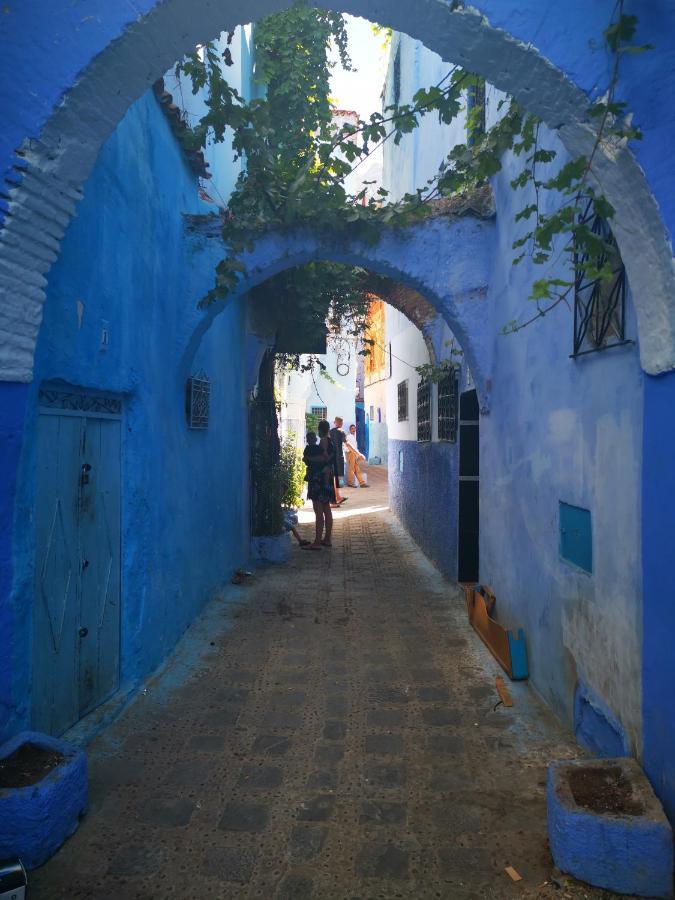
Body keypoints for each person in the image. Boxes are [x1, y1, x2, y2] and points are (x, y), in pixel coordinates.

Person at [302, 425, 334, 549]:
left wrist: (308, 459)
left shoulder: (323, 442)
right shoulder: (329, 441)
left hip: (317, 479)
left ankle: (317, 542)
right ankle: (327, 539)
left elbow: (323, 458)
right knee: (326, 508)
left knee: (318, 509)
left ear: (320, 431)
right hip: (326, 478)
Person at [329, 416, 348, 507]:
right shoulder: (342, 432)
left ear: (334, 422)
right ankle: (335, 499)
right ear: (341, 423)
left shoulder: (330, 432)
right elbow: (346, 443)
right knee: (339, 478)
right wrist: (357, 453)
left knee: (335, 478)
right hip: (339, 457)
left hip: (332, 457)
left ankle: (338, 497)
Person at [345, 423, 368, 487]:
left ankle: (362, 483)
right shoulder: (349, 437)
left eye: (354, 428)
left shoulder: (353, 437)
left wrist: (357, 455)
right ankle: (350, 482)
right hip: (350, 453)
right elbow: (350, 447)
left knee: (356, 469)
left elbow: (355, 447)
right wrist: (358, 454)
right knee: (351, 468)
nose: (353, 430)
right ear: (349, 430)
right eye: (352, 429)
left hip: (354, 454)